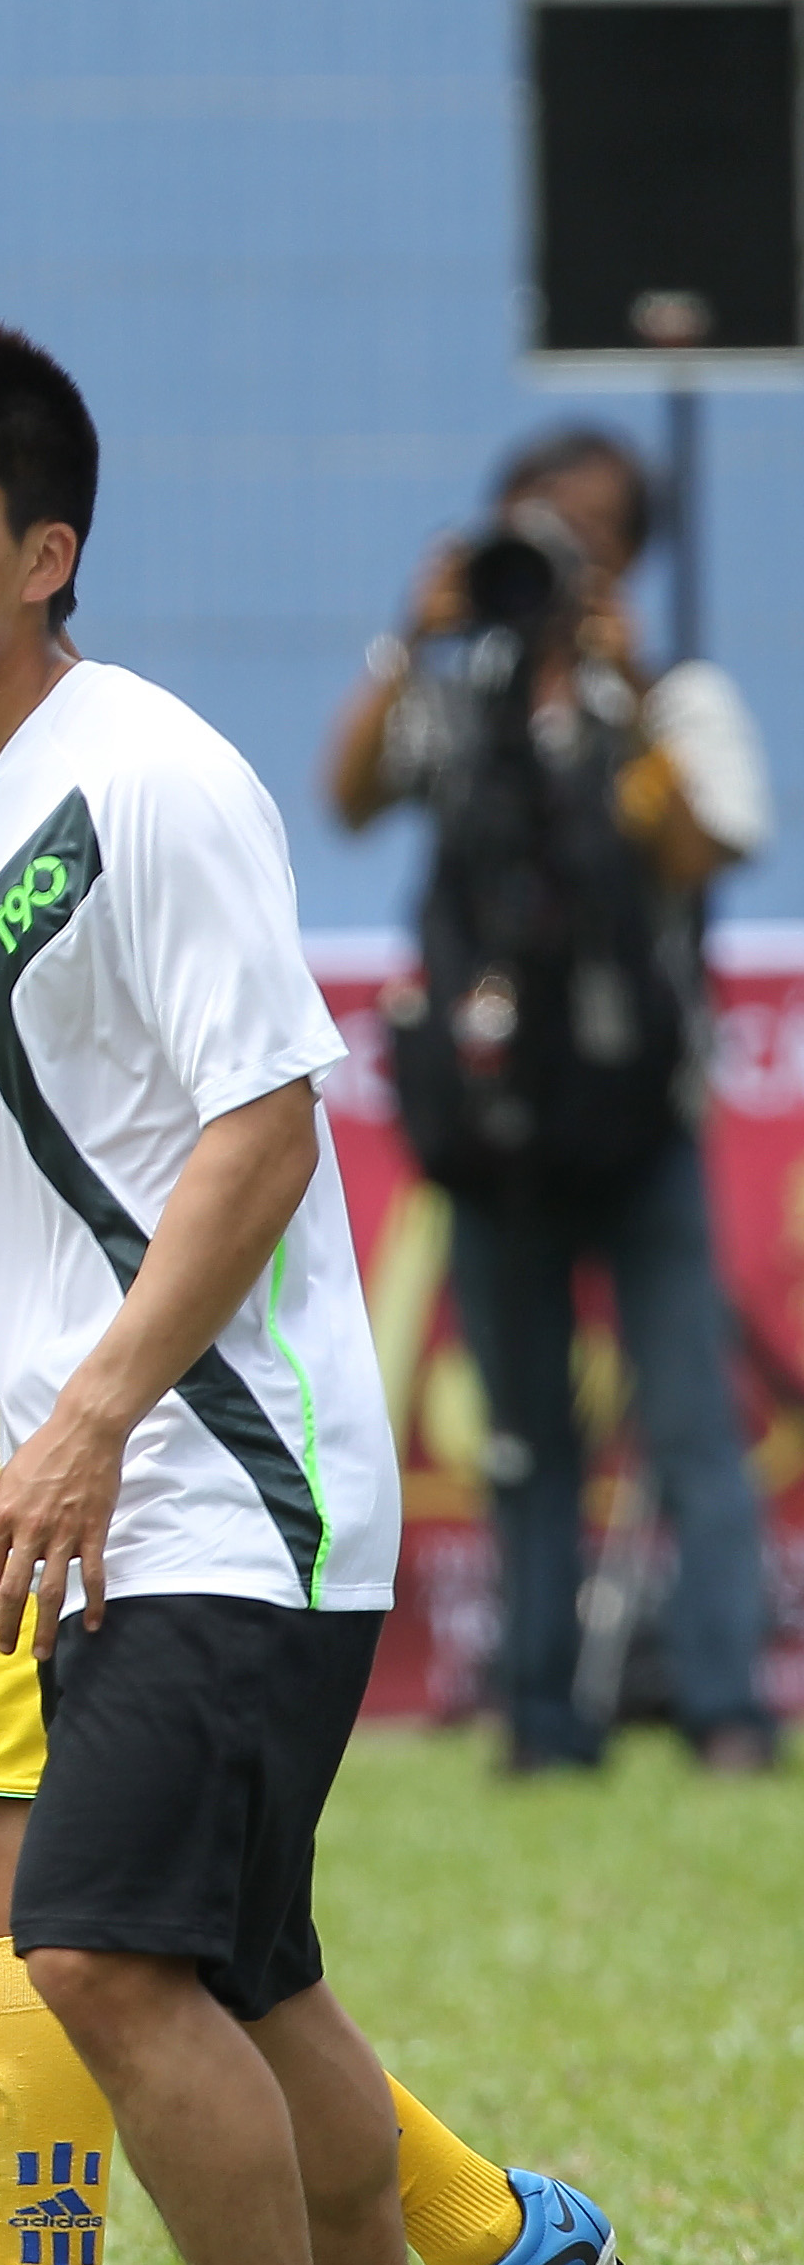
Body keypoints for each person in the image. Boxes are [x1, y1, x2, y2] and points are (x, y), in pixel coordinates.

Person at [0, 321, 497, 2265]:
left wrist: (95, 1408)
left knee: (99, 1953)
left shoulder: (147, 778)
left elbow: (261, 1125)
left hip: (234, 1489)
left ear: (43, 553)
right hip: (108, 1489)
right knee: (242, 1974)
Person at [0, 1211, 621, 2265]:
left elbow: (200, 1148)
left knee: (46, 1886)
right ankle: (480, 2236)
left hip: (159, 1447)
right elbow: (17, 1143)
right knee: (161, 1934)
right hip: (61, 1405)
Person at [327, 427, 779, 1776]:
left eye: (589, 532)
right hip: (490, 1126)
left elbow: (701, 848)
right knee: (523, 1438)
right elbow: (349, 798)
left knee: (689, 1421)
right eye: (537, 525)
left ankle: (726, 1709)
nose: (560, 551)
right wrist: (409, 640)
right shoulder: (455, 697)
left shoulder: (672, 699)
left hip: (638, 1122)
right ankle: (537, 1714)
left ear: (628, 559)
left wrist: (622, 684)